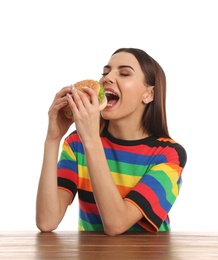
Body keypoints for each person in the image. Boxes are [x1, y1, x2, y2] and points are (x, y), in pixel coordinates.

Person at [36, 47, 187, 236]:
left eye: (124, 73)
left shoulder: (168, 154)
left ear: (149, 94)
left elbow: (116, 224)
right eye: (105, 72)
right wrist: (53, 139)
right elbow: (46, 221)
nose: (107, 78)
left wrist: (91, 139)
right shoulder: (77, 144)